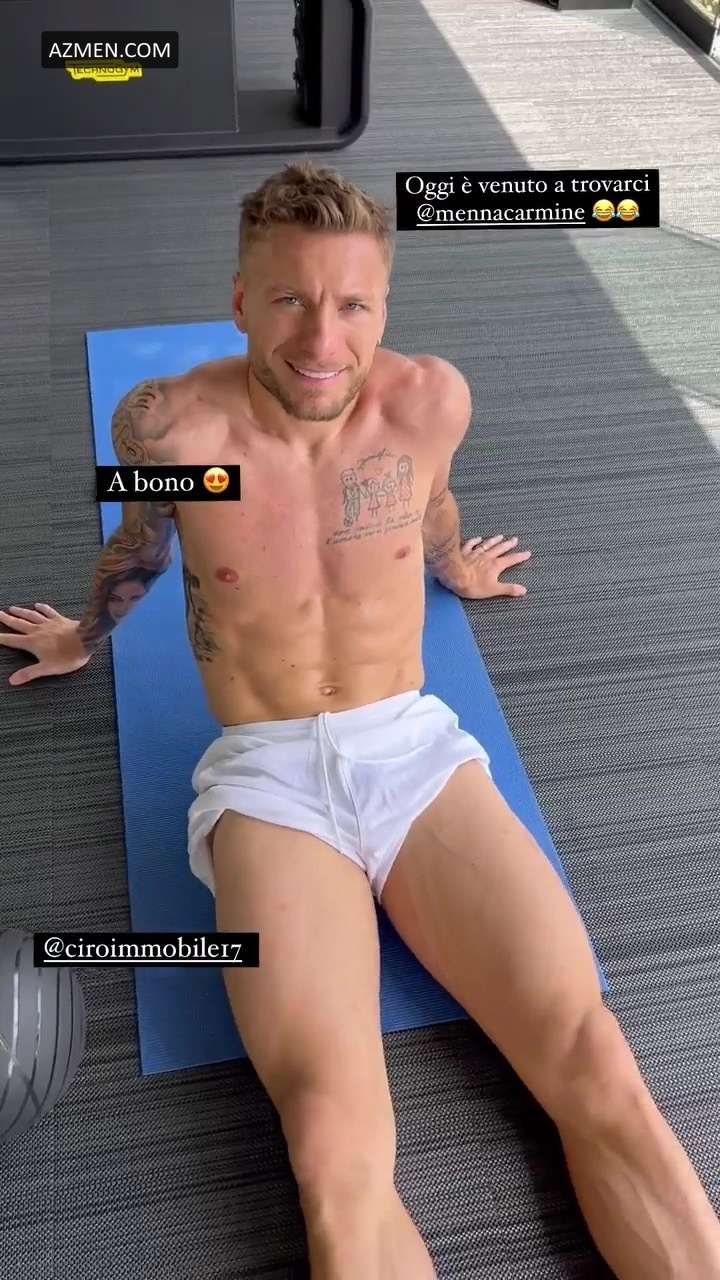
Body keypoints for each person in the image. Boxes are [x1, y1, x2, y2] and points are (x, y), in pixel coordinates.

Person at [1, 161, 719, 1280]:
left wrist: (452, 564)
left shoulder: (429, 399)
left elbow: (427, 497)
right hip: (267, 779)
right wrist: (82, 638)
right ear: (241, 299)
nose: (321, 337)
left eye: (351, 304)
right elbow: (143, 542)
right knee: (334, 1147)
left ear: (384, 306)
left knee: (597, 1063)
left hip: (415, 750)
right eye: (289, 298)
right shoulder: (171, 426)